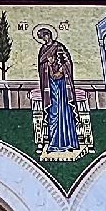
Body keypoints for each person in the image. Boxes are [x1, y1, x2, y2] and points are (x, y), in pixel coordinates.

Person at [33, 25, 81, 156]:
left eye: (45, 36)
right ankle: (54, 143)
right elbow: (41, 66)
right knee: (53, 112)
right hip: (50, 85)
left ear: (50, 35)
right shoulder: (43, 50)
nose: (44, 39)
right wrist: (48, 65)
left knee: (64, 112)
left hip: (61, 84)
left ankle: (69, 143)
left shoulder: (59, 47)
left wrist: (60, 69)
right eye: (42, 37)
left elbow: (67, 62)